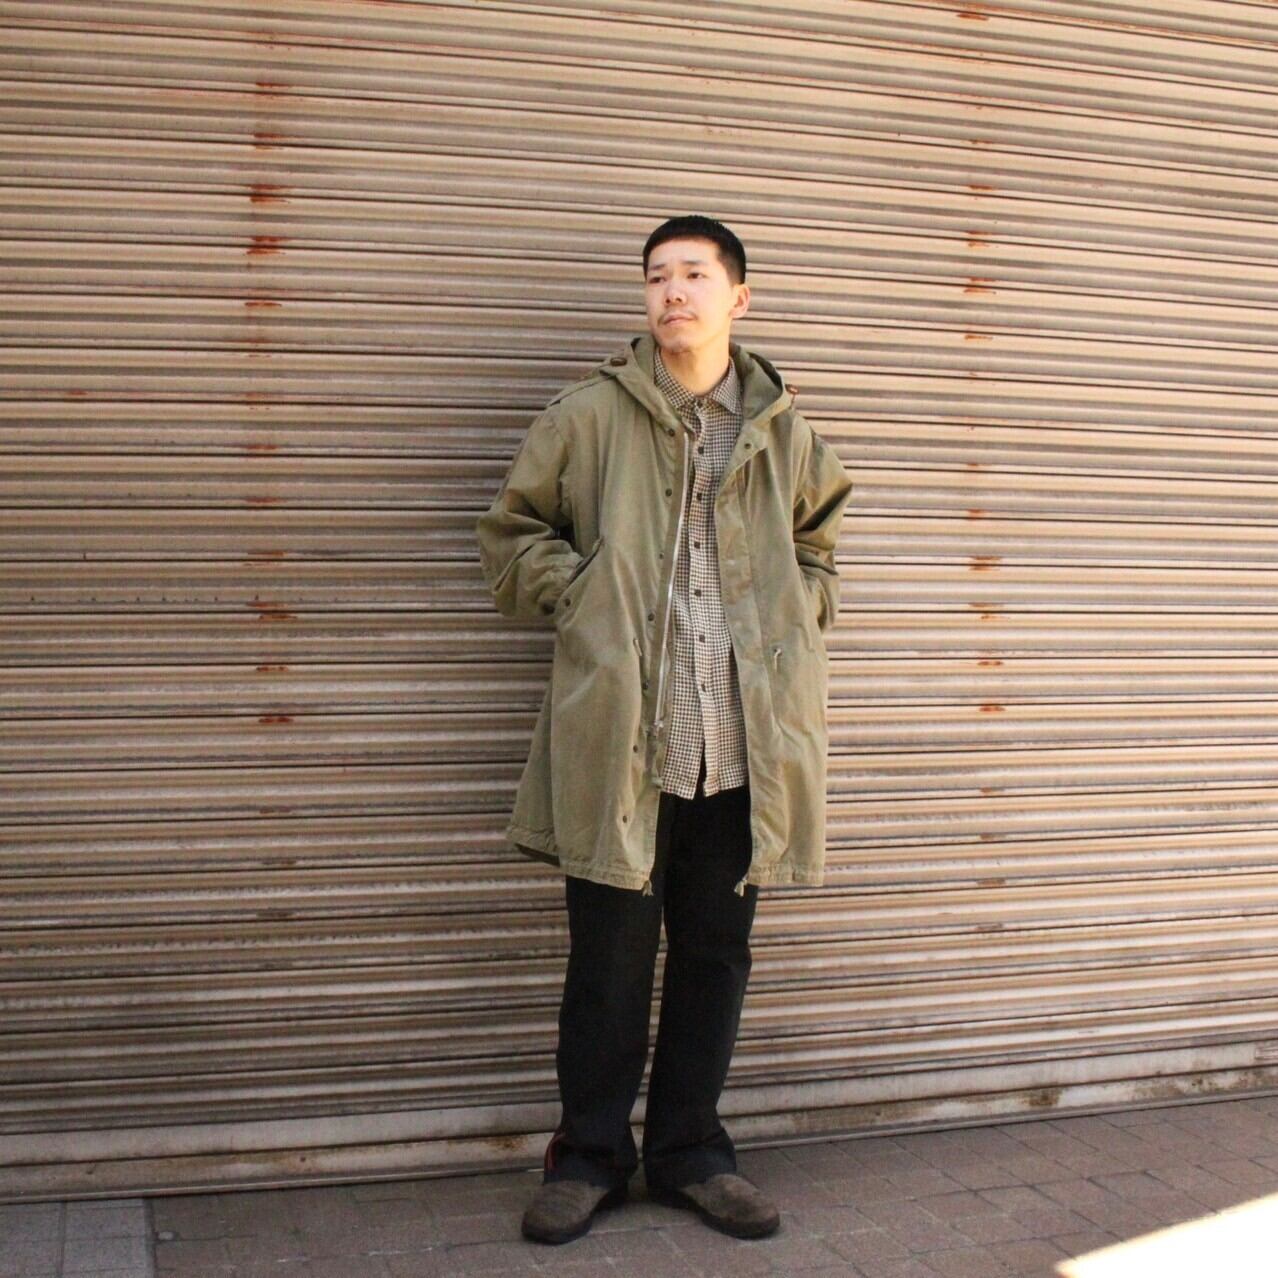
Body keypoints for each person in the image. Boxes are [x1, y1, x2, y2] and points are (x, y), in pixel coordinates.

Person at [476, 215, 853, 1245]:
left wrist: (801, 605)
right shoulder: (588, 417)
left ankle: (692, 1152)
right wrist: (584, 593)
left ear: (740, 296)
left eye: (694, 274)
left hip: (741, 748)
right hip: (626, 748)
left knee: (716, 956)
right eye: (656, 277)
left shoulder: (781, 430)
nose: (672, 292)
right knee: (606, 965)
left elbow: (820, 542)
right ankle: (589, 1156)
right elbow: (511, 535)